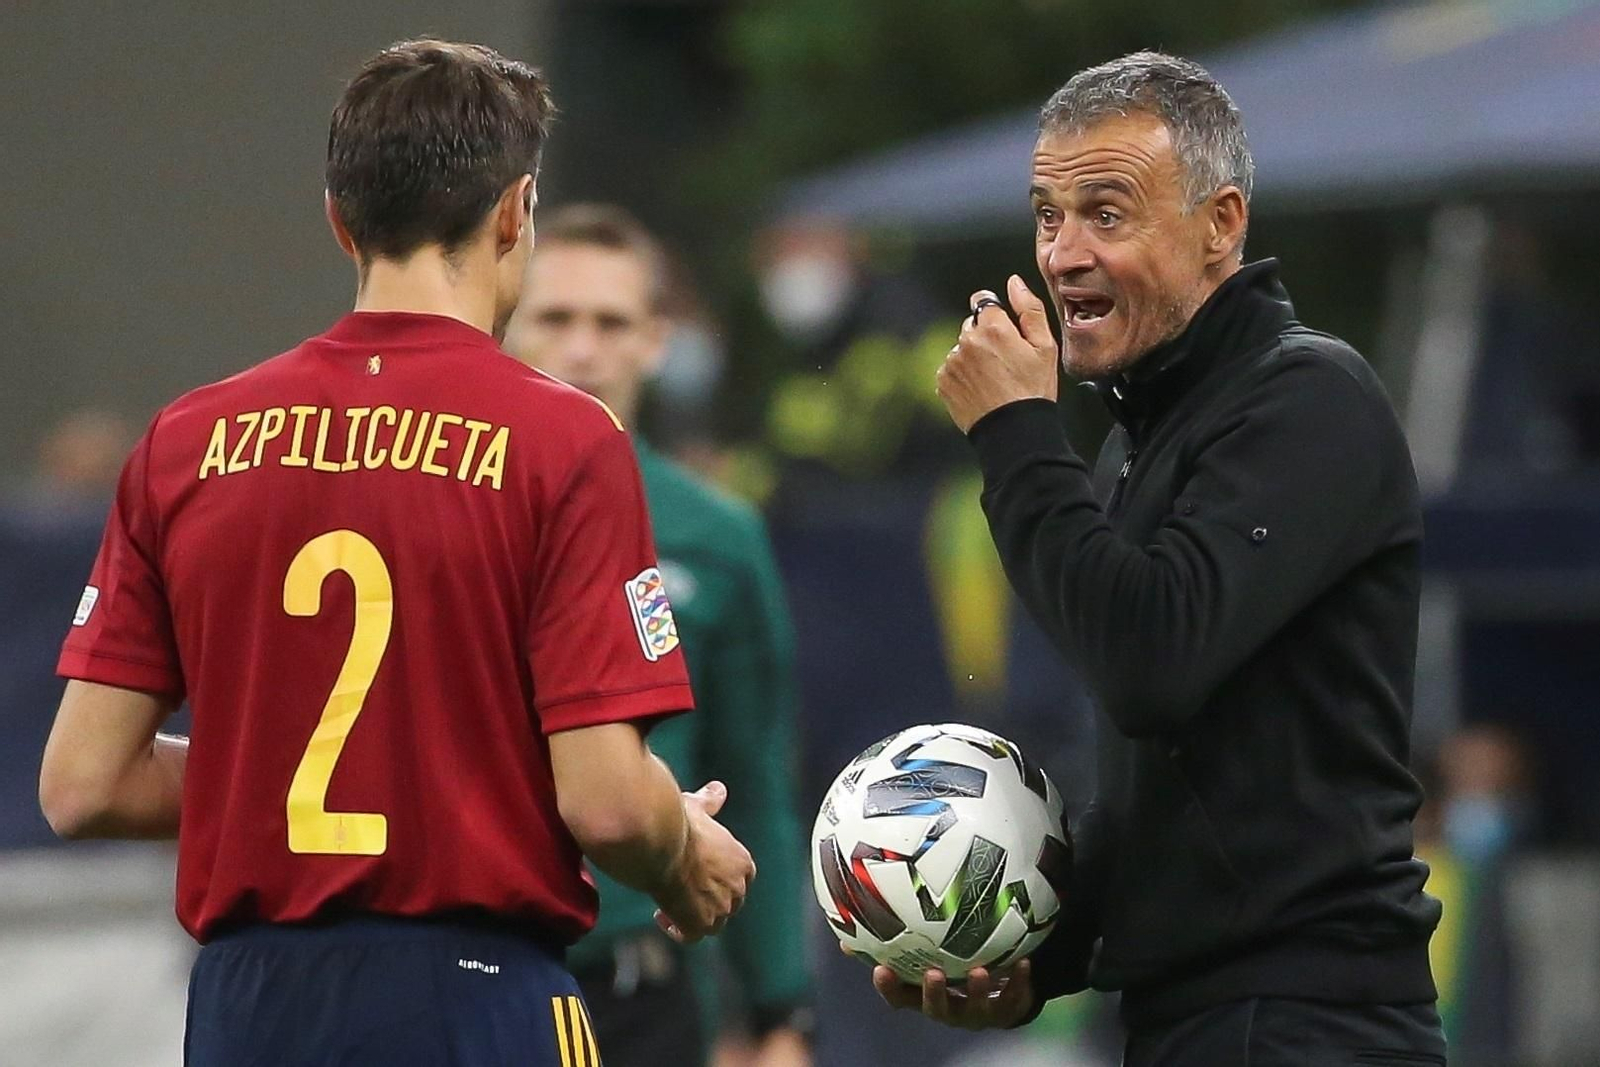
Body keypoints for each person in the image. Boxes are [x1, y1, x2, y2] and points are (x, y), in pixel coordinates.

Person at [38, 39, 755, 1067]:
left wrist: (303, 774)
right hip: (475, 994)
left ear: (340, 219)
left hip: (250, 1006)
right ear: (516, 212)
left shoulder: (185, 442)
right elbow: (602, 796)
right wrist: (683, 851)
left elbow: (82, 782)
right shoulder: (564, 441)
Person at [873, 52, 1446, 1065]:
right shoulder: (1140, 437)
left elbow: (1152, 663)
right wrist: (1031, 961)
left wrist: (1014, 435)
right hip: (1192, 1018)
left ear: (1220, 224)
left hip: (1309, 1021)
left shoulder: (1307, 399)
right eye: (1047, 216)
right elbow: (1160, 791)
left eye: (1106, 212)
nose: (1062, 252)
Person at [504, 204, 812, 1067]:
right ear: (507, 329)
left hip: (646, 984)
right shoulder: (457, 510)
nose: (583, 348)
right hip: (486, 964)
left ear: (657, 341)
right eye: (556, 318)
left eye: (611, 322)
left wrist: (780, 1007)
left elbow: (753, 776)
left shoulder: (715, 533)